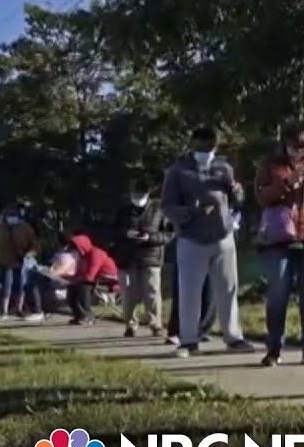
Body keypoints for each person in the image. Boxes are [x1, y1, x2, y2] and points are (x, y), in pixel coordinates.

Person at [161, 126, 254, 357]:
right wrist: (191, 212)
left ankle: (234, 337)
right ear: (193, 143)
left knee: (228, 289)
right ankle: (188, 341)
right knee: (189, 291)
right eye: (202, 143)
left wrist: (236, 190)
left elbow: (238, 200)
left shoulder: (224, 167)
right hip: (191, 238)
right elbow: (168, 206)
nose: (207, 147)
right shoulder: (178, 170)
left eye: (211, 143)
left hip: (222, 235)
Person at [254, 121, 304, 366]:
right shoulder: (271, 164)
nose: (299, 152)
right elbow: (261, 196)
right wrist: (288, 183)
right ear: (284, 143)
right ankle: (273, 348)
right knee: (278, 293)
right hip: (279, 237)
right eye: (293, 147)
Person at [111, 184, 173, 337]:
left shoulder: (159, 210)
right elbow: (112, 232)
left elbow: (168, 234)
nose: (137, 199)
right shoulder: (122, 211)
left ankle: (156, 324)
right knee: (128, 294)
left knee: (152, 293)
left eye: (140, 195)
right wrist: (126, 234)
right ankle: (130, 324)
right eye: (135, 195)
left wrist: (150, 238)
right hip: (127, 258)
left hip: (151, 257)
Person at [0, 202, 41, 320]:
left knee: (21, 286)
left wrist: (30, 254)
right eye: (9, 215)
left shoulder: (25, 227)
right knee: (6, 287)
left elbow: (35, 244)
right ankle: (5, 311)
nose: (11, 218)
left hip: (21, 261)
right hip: (5, 261)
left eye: (14, 215)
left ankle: (18, 309)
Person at [65, 234, 117, 324]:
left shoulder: (96, 254)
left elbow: (90, 275)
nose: (74, 251)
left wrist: (77, 279)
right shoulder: (83, 257)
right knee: (71, 289)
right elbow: (80, 273)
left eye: (75, 248)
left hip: (110, 281)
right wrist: (69, 278)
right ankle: (79, 315)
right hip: (96, 280)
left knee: (83, 288)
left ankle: (88, 316)